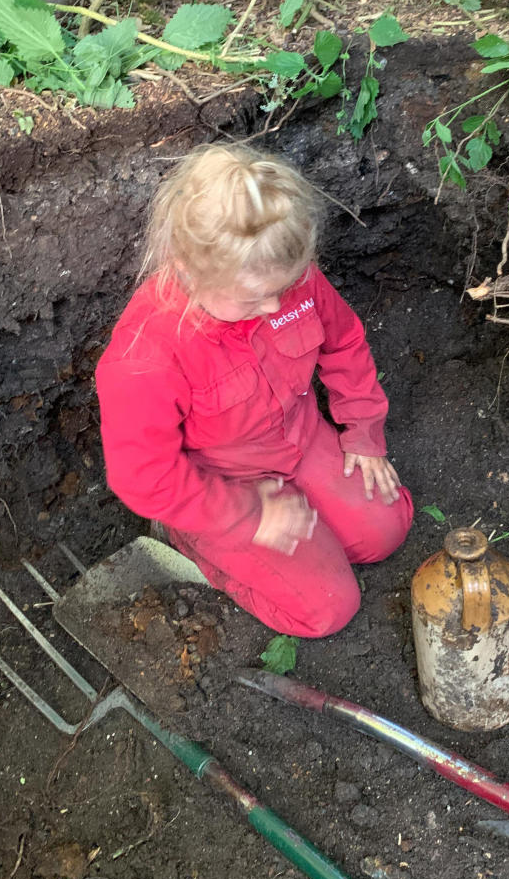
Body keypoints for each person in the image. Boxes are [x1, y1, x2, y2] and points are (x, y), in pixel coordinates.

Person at [95, 143, 413, 638]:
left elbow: (344, 341)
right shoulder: (146, 356)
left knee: (386, 530)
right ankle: (193, 541)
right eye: (251, 298)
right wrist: (247, 518)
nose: (272, 306)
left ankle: (302, 537)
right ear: (187, 268)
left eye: (282, 288)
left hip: (299, 439)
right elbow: (144, 477)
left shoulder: (285, 277)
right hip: (222, 483)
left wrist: (363, 431)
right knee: (329, 609)